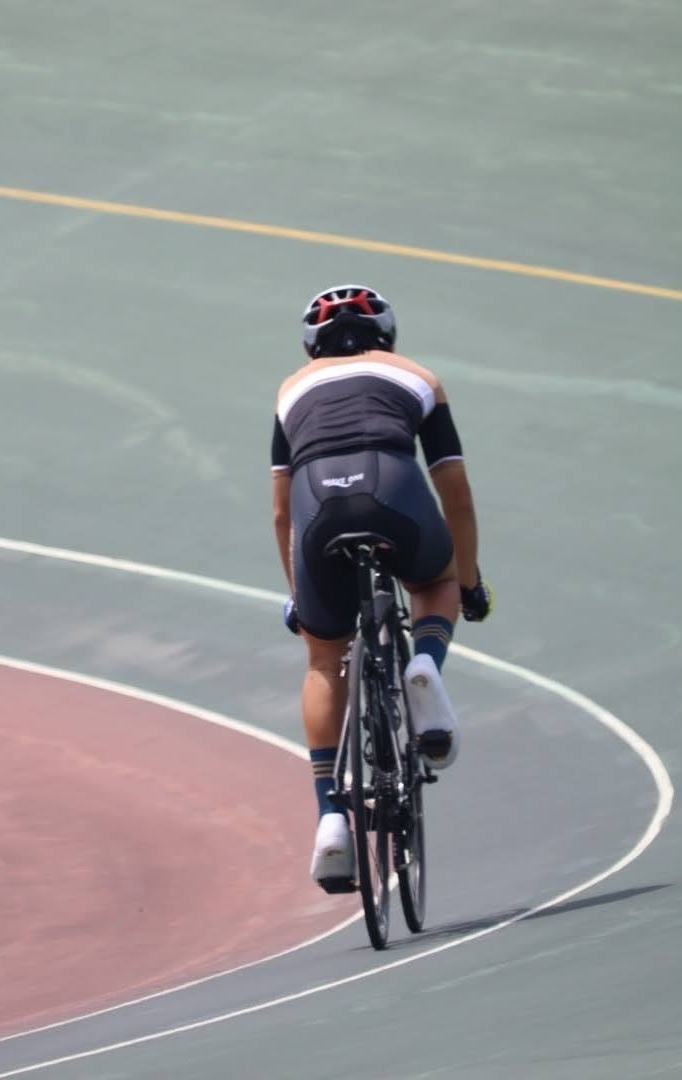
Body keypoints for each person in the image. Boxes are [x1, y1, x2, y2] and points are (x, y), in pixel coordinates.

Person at [271, 284, 493, 891]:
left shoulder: (291, 389)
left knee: (324, 657)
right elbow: (455, 492)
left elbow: (282, 513)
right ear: (386, 336)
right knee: (436, 581)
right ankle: (424, 664)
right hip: (395, 489)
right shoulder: (417, 376)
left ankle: (331, 820)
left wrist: (300, 597)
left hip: (317, 506)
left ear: (312, 345)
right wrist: (468, 581)